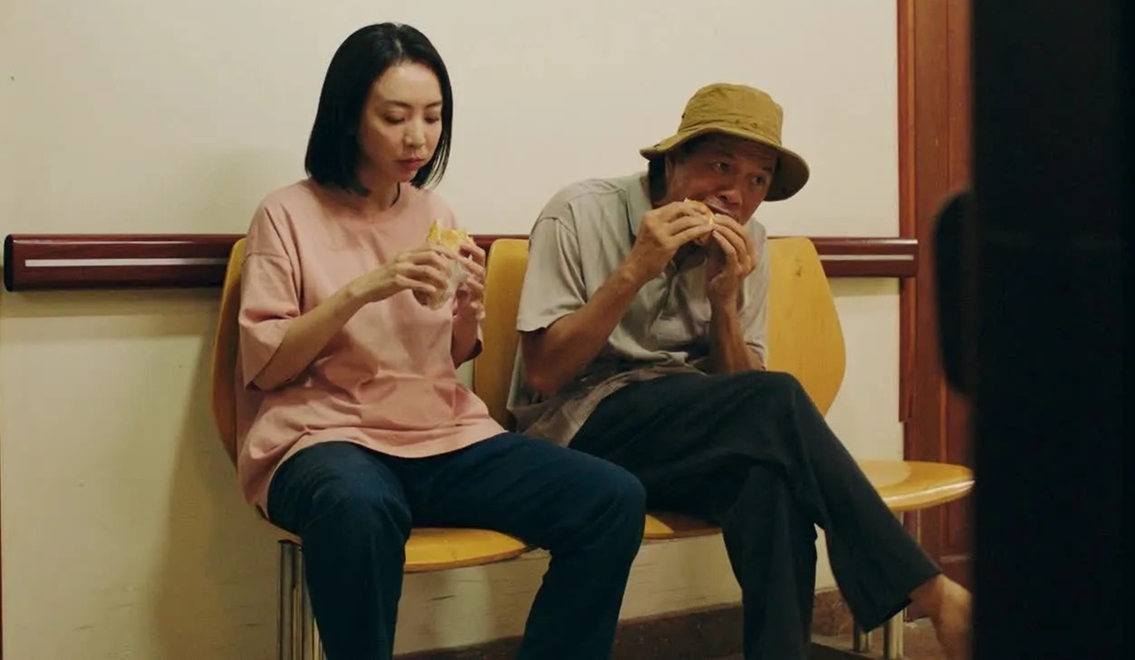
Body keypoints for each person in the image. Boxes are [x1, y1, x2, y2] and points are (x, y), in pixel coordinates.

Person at [508, 82, 972, 660]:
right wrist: (635, 270)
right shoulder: (578, 212)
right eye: (720, 166)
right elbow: (545, 375)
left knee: (769, 485)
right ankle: (927, 589)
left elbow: (742, 393)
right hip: (578, 429)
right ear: (672, 161)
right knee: (777, 399)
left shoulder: (748, 240)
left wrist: (725, 302)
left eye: (757, 180)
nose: (736, 194)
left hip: (684, 433)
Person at [235, 23, 646, 660]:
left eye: (433, 117)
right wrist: (363, 288)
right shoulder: (285, 214)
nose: (418, 138)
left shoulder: (436, 214)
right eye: (395, 117)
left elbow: (444, 357)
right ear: (349, 116)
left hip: (441, 436)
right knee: (356, 505)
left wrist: (467, 309)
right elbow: (266, 368)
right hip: (323, 437)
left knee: (611, 498)